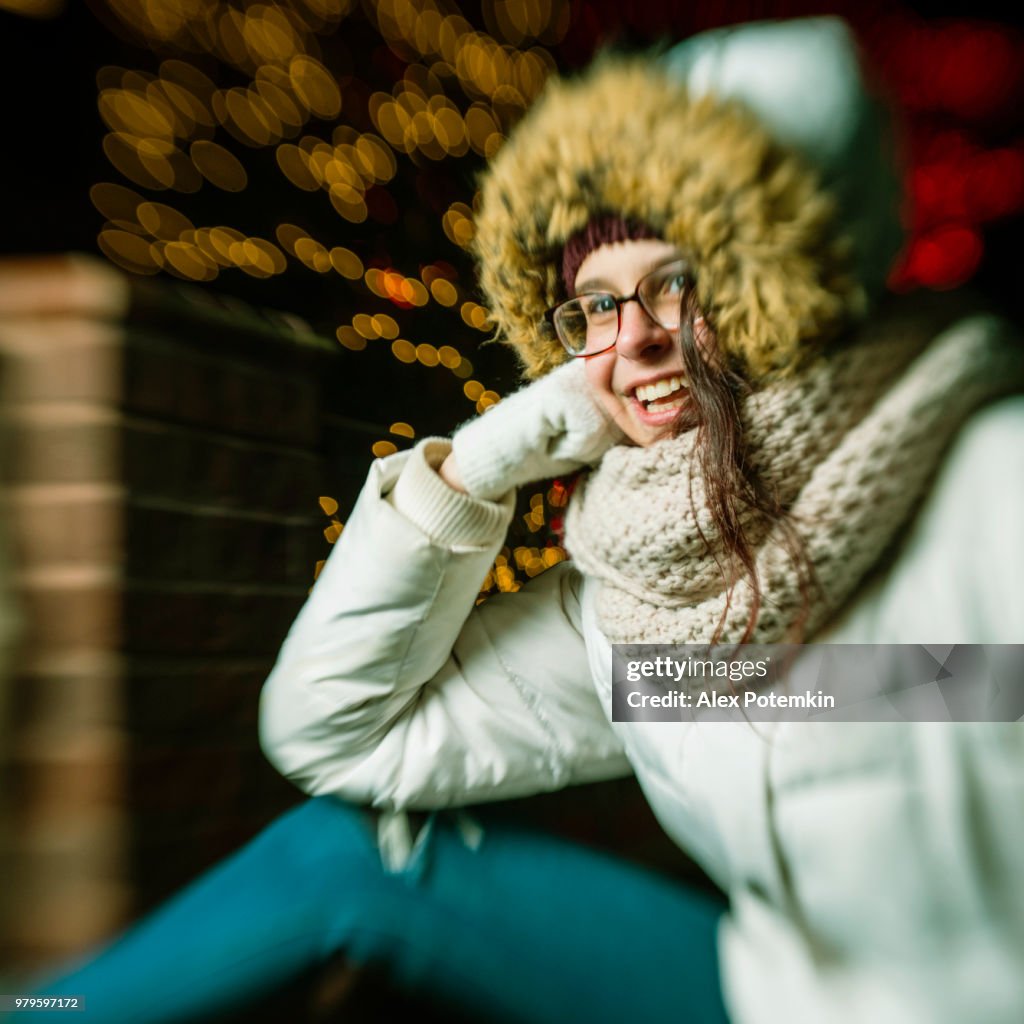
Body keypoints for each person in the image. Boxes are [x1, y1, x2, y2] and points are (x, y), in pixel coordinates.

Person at [17, 16, 1024, 1024]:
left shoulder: (990, 480)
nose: (629, 339)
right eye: (590, 306)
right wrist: (494, 454)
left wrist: (910, 680)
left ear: (782, 285)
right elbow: (333, 738)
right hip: (775, 996)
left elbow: (928, 687)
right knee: (344, 857)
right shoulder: (644, 606)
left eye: (675, 283)